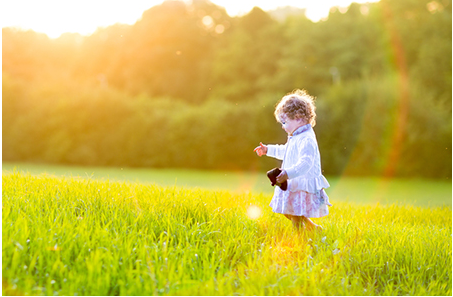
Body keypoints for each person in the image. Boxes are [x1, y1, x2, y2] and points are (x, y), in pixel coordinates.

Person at [254, 89, 331, 231]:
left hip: (301, 183)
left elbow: (305, 163)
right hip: (293, 181)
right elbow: (287, 152)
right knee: (287, 211)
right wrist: (268, 150)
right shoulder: (296, 136)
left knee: (295, 215)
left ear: (298, 117)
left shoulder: (307, 138)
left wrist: (288, 173)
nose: (283, 126)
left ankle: (300, 240)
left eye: (284, 122)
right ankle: (313, 228)